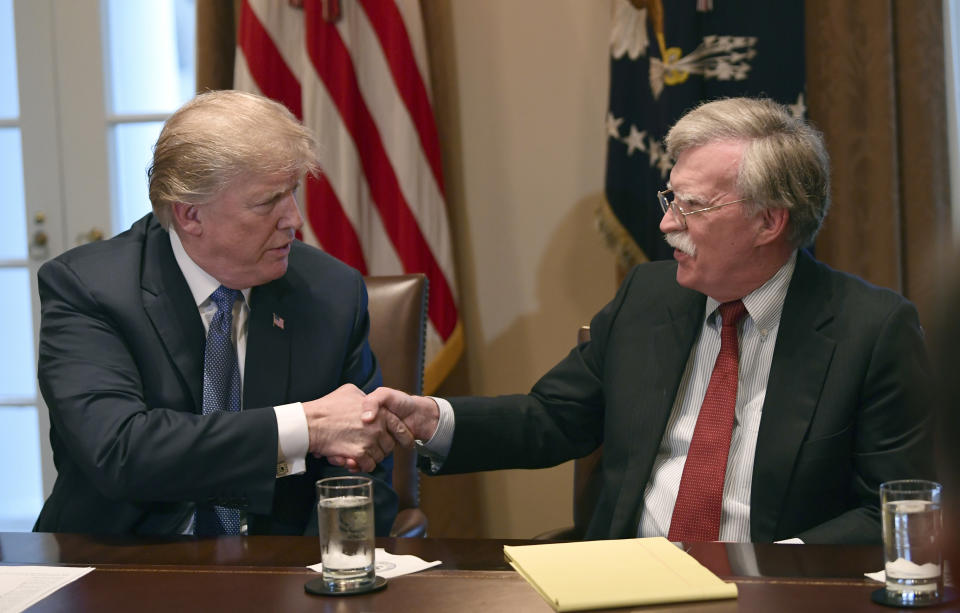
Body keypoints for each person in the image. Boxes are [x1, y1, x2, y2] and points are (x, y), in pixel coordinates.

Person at [360, 97, 935, 543]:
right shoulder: (647, 296)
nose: (666, 226)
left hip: (774, 586)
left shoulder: (870, 329)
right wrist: (432, 418)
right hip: (626, 577)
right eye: (671, 199)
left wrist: (775, 564)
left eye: (693, 207)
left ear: (769, 222)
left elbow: (894, 508)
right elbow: (554, 417)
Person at [34, 90, 411, 537]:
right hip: (119, 564)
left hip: (281, 574)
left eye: (292, 192)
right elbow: (121, 451)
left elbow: (362, 469)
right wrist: (303, 427)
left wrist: (318, 577)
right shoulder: (88, 288)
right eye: (268, 201)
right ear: (191, 215)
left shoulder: (331, 292)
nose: (294, 218)